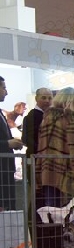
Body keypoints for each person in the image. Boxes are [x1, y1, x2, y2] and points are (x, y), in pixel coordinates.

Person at [35, 87, 74, 209]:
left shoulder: (47, 118)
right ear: (72, 101)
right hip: (66, 170)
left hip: (47, 168)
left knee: (51, 210)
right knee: (69, 210)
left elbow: (43, 143)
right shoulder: (73, 118)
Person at [0, 76, 24, 210]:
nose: (6, 92)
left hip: (6, 171)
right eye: (4, 88)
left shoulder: (1, 113)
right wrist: (7, 144)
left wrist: (14, 143)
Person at [21, 87, 53, 157]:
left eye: (50, 98)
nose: (47, 101)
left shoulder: (52, 115)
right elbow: (27, 139)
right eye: (43, 98)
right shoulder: (32, 116)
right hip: (36, 157)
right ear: (36, 99)